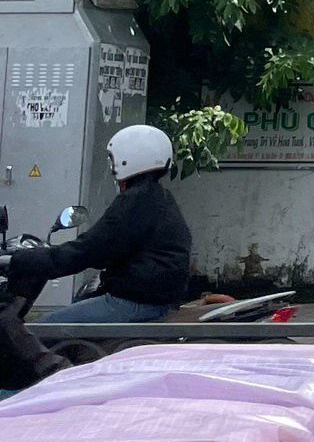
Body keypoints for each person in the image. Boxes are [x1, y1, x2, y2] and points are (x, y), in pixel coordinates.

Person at [0, 124, 190, 322]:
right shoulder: (157, 198)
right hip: (151, 299)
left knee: (36, 333)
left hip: (134, 303)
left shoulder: (138, 200)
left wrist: (24, 261)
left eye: (113, 158)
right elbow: (104, 250)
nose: (112, 166)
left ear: (130, 158)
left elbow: (90, 250)